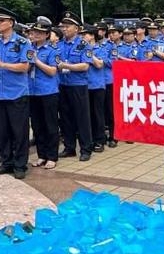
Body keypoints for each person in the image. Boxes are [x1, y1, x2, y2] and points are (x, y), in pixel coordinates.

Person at [0, 7, 32, 179]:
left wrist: (2, 64)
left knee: (19, 131)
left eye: (1, 21)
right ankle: (7, 162)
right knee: (2, 131)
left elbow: (24, 67)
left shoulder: (22, 43)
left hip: (17, 93)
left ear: (11, 23)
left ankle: (20, 165)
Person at [57, 12, 93, 161]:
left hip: (78, 85)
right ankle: (69, 147)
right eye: (63, 26)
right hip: (62, 84)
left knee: (82, 118)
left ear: (77, 29)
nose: (64, 29)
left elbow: (85, 66)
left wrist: (67, 65)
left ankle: (86, 149)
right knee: (66, 118)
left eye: (68, 26)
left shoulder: (84, 45)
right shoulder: (58, 45)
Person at [27, 18, 59, 169]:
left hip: (48, 91)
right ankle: (41, 155)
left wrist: (37, 61)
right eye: (35, 32)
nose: (37, 35)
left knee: (50, 125)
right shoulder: (29, 48)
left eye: (41, 32)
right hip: (32, 91)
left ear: (47, 34)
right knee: (37, 125)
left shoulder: (52, 51)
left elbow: (53, 71)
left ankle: (52, 156)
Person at [84, 25, 108, 152]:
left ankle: (100, 140)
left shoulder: (100, 48)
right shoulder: (82, 48)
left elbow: (99, 64)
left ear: (92, 36)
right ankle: (91, 139)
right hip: (85, 85)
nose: (83, 37)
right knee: (88, 114)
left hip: (97, 85)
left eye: (85, 34)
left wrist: (89, 54)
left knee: (98, 113)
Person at [104, 24, 122, 147]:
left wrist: (102, 60)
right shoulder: (102, 45)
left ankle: (113, 135)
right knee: (102, 111)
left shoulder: (112, 47)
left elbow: (113, 62)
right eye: (109, 32)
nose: (111, 34)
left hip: (110, 81)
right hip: (100, 82)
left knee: (111, 110)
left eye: (113, 32)